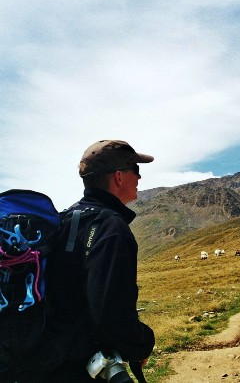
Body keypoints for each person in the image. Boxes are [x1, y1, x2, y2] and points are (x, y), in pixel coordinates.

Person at [45, 140, 155, 382]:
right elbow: (110, 314)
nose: (139, 178)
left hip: (46, 361)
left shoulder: (63, 220)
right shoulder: (110, 228)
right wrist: (142, 342)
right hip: (80, 367)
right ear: (118, 177)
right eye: (136, 170)